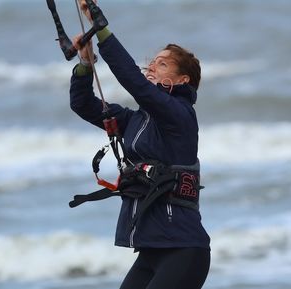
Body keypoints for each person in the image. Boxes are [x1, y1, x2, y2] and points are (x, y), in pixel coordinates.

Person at [69, 1, 210, 288]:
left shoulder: (180, 116)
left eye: (162, 63)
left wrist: (100, 26)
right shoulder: (135, 121)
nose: (151, 66)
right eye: (152, 61)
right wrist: (85, 64)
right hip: (150, 252)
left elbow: (135, 83)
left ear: (182, 80)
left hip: (183, 250)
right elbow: (82, 104)